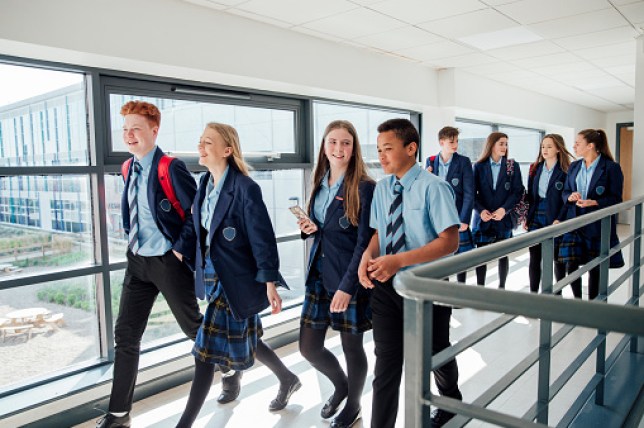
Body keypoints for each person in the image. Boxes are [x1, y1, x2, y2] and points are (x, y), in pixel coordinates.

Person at [175, 123, 300, 427]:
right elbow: (196, 226)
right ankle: (288, 378)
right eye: (200, 141)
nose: (200, 147)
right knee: (249, 338)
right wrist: (178, 250)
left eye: (207, 142)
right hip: (210, 276)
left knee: (204, 354)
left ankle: (184, 424)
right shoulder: (204, 183)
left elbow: (262, 239)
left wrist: (270, 283)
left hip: (237, 280)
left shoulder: (245, 188)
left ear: (227, 150)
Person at [97, 101, 202, 428]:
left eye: (136, 128)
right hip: (137, 263)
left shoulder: (170, 167)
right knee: (125, 335)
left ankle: (229, 369)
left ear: (153, 130)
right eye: (125, 129)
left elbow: (196, 214)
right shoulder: (128, 167)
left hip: (167, 263)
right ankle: (118, 414)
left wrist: (179, 252)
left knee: (195, 329)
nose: (129, 135)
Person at [358, 118, 462, 428]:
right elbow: (380, 234)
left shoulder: (435, 187)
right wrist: (368, 255)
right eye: (378, 149)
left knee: (435, 351)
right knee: (386, 365)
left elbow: (450, 242)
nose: (381, 156)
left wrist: (399, 260)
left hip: (428, 286)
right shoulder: (382, 188)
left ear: (411, 148)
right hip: (387, 287)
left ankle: (450, 401)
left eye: (387, 148)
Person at [297, 120, 375, 428]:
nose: (338, 149)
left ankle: (353, 404)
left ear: (353, 148)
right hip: (318, 274)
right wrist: (308, 229)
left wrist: (347, 287)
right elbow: (323, 227)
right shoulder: (320, 181)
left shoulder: (365, 187)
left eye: (345, 143)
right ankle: (341, 385)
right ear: (324, 146)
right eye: (333, 142)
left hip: (348, 278)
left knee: (351, 346)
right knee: (309, 347)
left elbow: (365, 244)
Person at [558, 129, 625, 300]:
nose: (573, 146)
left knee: (595, 268)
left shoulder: (611, 168)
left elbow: (616, 198)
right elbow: (565, 191)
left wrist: (594, 202)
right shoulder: (574, 166)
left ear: (590, 146)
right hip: (574, 222)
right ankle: (578, 301)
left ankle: (594, 305)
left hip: (597, 225)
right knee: (570, 264)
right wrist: (570, 196)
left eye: (577, 143)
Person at [472, 132, 525, 289]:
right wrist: (481, 211)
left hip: (504, 219)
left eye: (506, 144)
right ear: (491, 145)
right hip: (484, 219)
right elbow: (472, 193)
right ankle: (480, 289)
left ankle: (501, 288)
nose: (505, 147)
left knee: (503, 256)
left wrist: (504, 209)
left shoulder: (512, 166)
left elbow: (518, 192)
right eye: (501, 143)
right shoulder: (479, 166)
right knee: (480, 256)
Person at [425, 126, 474, 283]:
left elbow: (469, 193)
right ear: (441, 142)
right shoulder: (431, 161)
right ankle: (442, 292)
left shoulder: (463, 162)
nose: (455, 145)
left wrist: (465, 219)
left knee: (461, 257)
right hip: (436, 216)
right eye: (451, 141)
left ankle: (460, 292)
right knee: (440, 255)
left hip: (457, 215)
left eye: (457, 141)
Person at [525, 134, 572, 294]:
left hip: (556, 216)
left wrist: (560, 218)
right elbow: (530, 196)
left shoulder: (566, 170)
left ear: (558, 148)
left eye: (549, 146)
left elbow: (568, 199)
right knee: (534, 257)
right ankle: (533, 294)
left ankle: (557, 295)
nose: (545, 150)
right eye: (543, 146)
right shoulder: (535, 168)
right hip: (536, 215)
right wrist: (527, 217)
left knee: (557, 259)